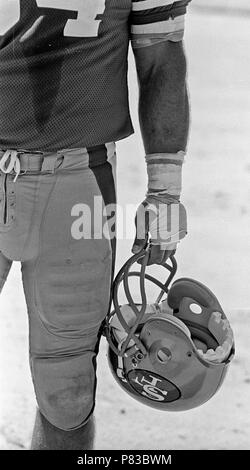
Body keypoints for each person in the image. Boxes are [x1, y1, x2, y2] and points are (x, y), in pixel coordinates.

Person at [0, 0, 190, 450]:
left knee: (67, 389)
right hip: (77, 180)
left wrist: (164, 191)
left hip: (78, 180)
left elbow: (159, 57)